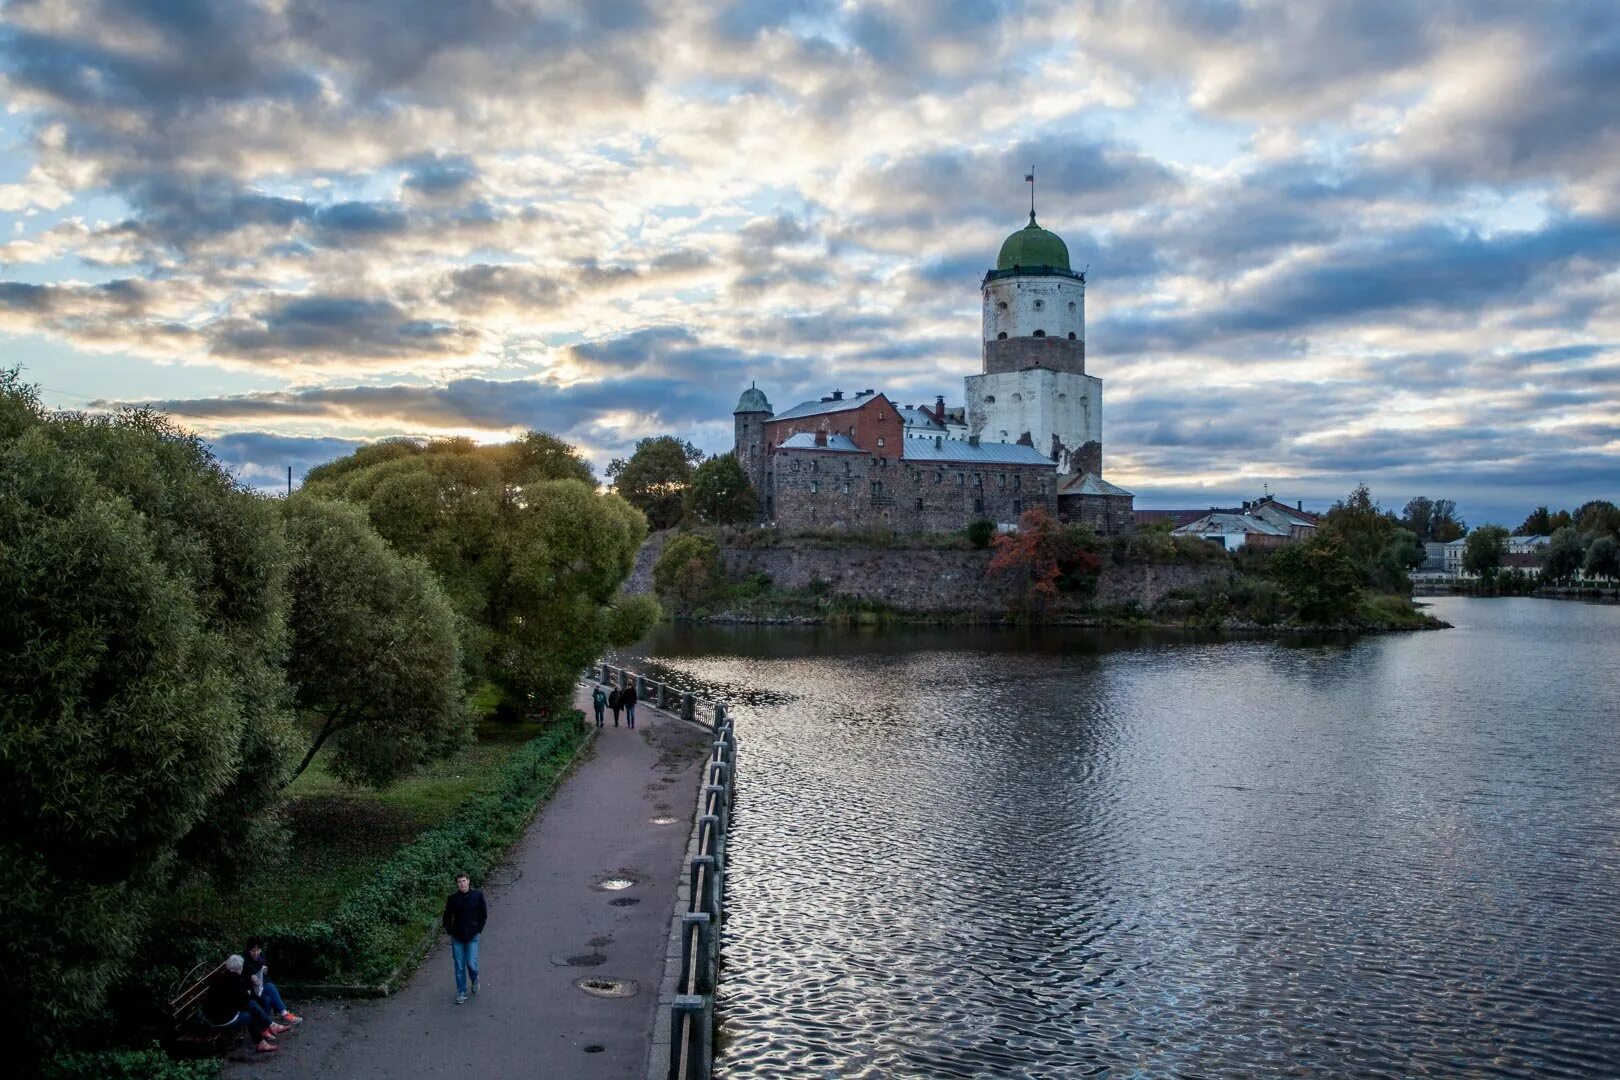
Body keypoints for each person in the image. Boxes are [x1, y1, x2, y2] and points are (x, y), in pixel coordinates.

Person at [200, 954, 286, 1053]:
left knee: (252, 1004)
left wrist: (246, 994)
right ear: (240, 967)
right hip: (223, 1019)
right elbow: (242, 1002)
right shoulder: (235, 980)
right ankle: (264, 1037)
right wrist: (247, 993)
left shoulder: (218, 978)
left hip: (211, 1017)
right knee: (251, 1014)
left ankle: (270, 1027)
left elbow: (235, 1000)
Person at [442, 872, 487, 1004]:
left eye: (463, 881)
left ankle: (475, 978)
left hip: (472, 936)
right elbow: (446, 917)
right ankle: (461, 992)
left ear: (468, 881)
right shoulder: (453, 899)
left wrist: (478, 930)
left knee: (471, 963)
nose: (461, 884)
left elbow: (483, 915)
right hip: (457, 937)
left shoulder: (477, 896)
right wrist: (450, 930)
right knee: (459, 966)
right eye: (459, 882)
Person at [243, 940, 302, 1027]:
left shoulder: (261, 956)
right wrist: (250, 977)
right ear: (248, 950)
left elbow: (264, 977)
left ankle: (265, 1028)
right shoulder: (244, 960)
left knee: (267, 999)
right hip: (248, 991)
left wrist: (264, 972)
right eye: (253, 950)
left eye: (257, 950)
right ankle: (285, 1014)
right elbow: (241, 978)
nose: (256, 953)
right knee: (270, 987)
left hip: (259, 988)